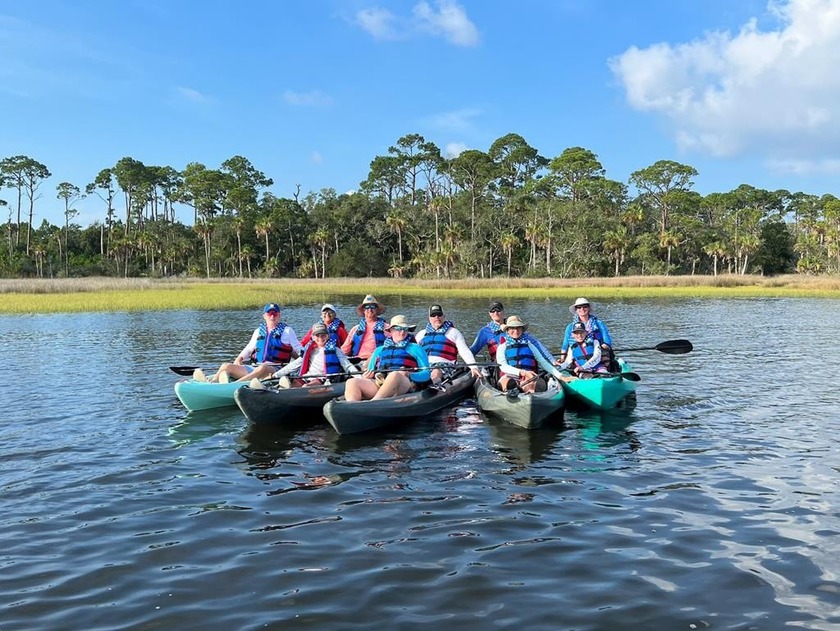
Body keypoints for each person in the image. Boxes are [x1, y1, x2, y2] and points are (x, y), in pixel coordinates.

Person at [194, 303, 302, 383]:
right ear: (264, 316)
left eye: (275, 314)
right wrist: (239, 358)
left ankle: (235, 385)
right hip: (255, 368)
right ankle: (212, 382)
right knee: (226, 366)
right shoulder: (259, 331)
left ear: (279, 315)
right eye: (270, 314)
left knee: (263, 367)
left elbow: (299, 350)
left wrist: (307, 359)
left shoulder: (287, 331)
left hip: (275, 370)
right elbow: (249, 349)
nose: (272, 316)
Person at [344, 315, 431, 401]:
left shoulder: (416, 348)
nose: (402, 332)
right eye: (398, 329)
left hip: (405, 383)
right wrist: (366, 376)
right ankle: (351, 406)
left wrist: (409, 374)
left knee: (395, 374)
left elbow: (426, 374)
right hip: (380, 383)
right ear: (391, 330)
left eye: (405, 329)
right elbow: (370, 370)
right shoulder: (379, 350)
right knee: (352, 382)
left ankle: (374, 402)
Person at [258, 322, 359, 388]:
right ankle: (273, 386)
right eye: (317, 335)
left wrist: (360, 377)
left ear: (328, 336)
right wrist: (275, 375)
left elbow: (347, 365)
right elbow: (293, 365)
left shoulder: (336, 350)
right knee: (292, 384)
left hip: (322, 379)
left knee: (305, 387)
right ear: (313, 337)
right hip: (307, 377)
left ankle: (290, 392)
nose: (321, 338)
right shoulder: (309, 350)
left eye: (323, 335)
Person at [495, 315, 564, 394]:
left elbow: (543, 362)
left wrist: (560, 376)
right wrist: (522, 372)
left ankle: (530, 392)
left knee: (535, 385)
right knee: (508, 383)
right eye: (512, 328)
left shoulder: (529, 345)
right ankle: (511, 391)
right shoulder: (502, 347)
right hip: (510, 375)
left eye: (518, 328)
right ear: (507, 330)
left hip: (528, 376)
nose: (516, 330)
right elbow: (503, 367)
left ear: (522, 330)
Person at [415, 304, 482, 384]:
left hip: (444, 365)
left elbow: (464, 351)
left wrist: (473, 367)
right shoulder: (421, 334)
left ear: (444, 316)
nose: (437, 317)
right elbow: (412, 353)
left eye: (439, 315)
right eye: (433, 315)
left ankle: (431, 387)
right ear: (429, 318)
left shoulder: (453, 332)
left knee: (436, 372)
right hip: (424, 365)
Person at [560, 298, 614, 366]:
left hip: (599, 352)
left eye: (585, 306)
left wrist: (597, 348)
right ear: (576, 310)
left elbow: (607, 342)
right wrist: (562, 358)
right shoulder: (570, 327)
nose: (582, 309)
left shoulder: (599, 323)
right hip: (578, 355)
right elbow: (565, 345)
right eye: (579, 307)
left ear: (588, 308)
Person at [341, 294, 389, 360]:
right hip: (358, 360)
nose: (369, 309)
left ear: (377, 310)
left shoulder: (386, 327)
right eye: (366, 307)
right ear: (363, 310)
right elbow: (345, 349)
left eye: (372, 306)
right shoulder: (356, 329)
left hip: (377, 360)